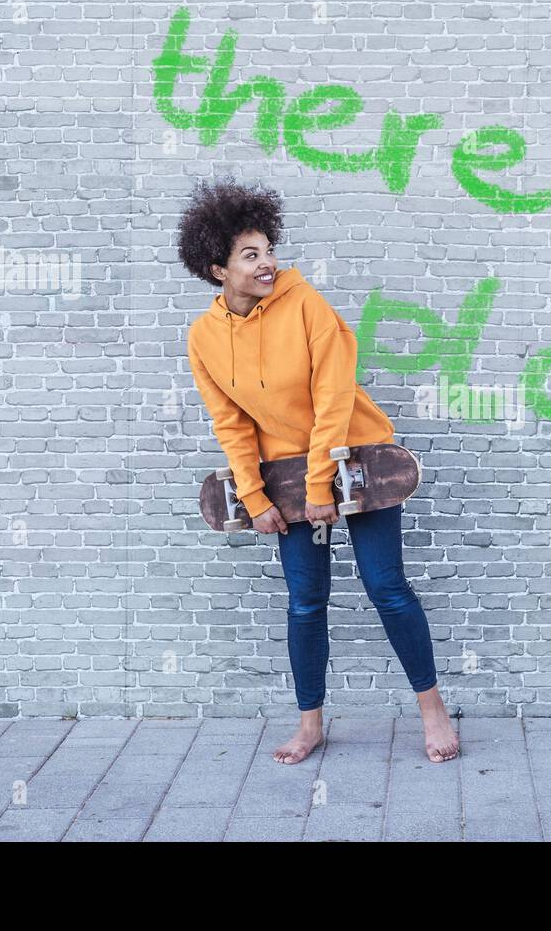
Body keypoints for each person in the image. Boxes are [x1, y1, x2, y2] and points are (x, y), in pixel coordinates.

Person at [179, 177, 460, 764]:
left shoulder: (307, 306)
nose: (267, 264)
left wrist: (319, 484)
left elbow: (332, 397)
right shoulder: (203, 337)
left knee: (386, 587)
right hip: (283, 473)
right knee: (305, 600)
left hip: (356, 458)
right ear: (216, 270)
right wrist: (254, 498)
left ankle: (433, 710)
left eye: (268, 250)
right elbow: (230, 423)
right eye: (249, 256)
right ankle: (310, 725)